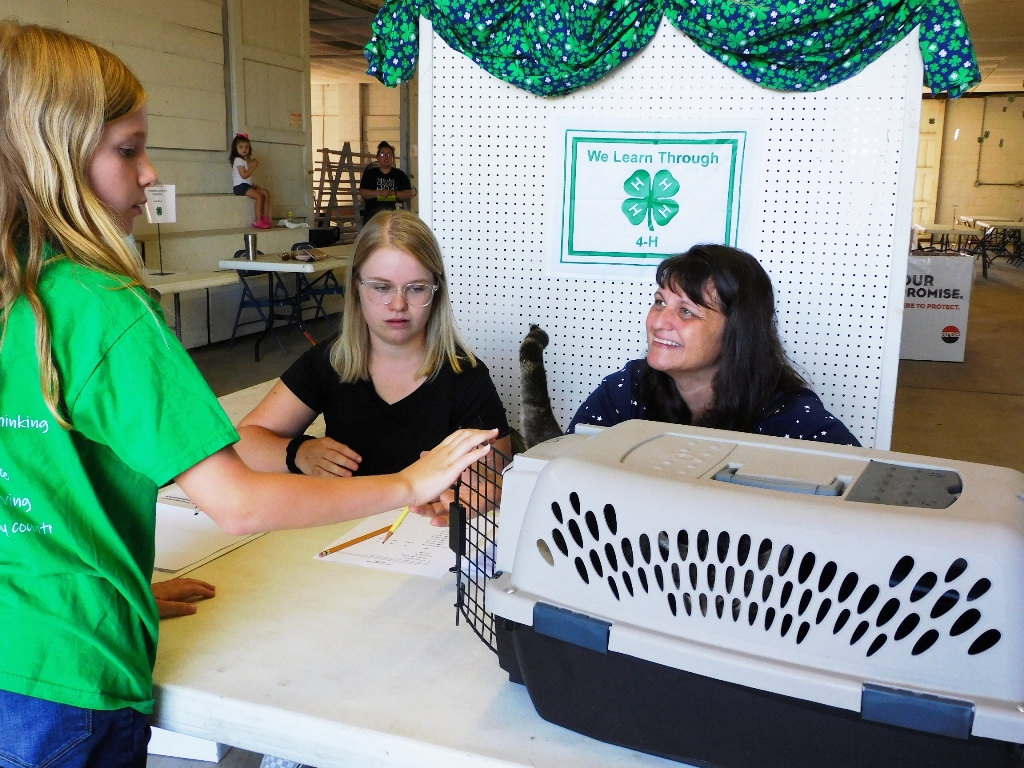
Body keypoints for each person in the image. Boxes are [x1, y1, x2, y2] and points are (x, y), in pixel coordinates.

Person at [0, 22, 495, 767]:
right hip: (68, 677)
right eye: (128, 150)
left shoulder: (17, 296)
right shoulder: (101, 309)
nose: (150, 174)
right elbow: (236, 502)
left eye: (416, 289)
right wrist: (409, 483)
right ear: (55, 156)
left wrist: (109, 589)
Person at [236, 209, 512, 513]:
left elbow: (497, 480)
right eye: (381, 287)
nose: (398, 304)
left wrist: (473, 493)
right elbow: (244, 442)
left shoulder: (466, 375)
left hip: (421, 531)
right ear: (356, 286)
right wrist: (299, 452)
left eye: (416, 288)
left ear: (436, 291)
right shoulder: (331, 361)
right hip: (342, 525)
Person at [569, 245, 860, 446]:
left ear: (738, 332)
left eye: (686, 311)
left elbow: (860, 502)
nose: (658, 322)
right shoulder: (626, 390)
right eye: (659, 302)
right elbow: (563, 469)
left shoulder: (791, 420)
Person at [359, 140, 413, 224]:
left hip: (395, 217)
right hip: (373, 216)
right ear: (377, 157)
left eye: (389, 154)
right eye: (382, 154)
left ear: (393, 157)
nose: (386, 157)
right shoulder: (370, 174)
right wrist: (379, 193)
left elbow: (408, 194)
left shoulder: (400, 175)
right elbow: (363, 193)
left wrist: (394, 193)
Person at [230, 133, 272, 229]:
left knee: (266, 193)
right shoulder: (238, 160)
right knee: (259, 196)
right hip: (239, 187)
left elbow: (246, 178)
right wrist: (253, 166)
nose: (244, 149)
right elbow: (244, 175)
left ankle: (265, 217)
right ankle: (258, 221)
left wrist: (252, 184)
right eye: (241, 147)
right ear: (235, 148)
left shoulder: (244, 160)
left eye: (246, 147)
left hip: (246, 185)